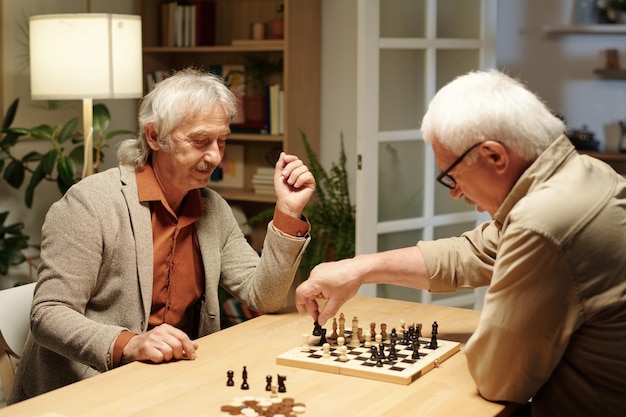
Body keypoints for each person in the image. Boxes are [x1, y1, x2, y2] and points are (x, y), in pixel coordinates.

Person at [295, 69, 626, 416]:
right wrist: (359, 267)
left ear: (495, 156)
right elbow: (475, 252)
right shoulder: (584, 173)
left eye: (452, 176)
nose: (455, 193)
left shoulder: (544, 221)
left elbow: (499, 380)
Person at [9, 68, 315, 403]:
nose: (215, 156)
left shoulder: (213, 208)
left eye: (222, 140)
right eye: (200, 141)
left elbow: (264, 297)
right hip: (82, 391)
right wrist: (130, 344)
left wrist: (287, 212)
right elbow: (48, 314)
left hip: (172, 382)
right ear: (154, 136)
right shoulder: (89, 204)